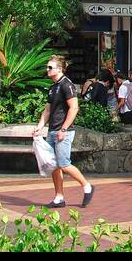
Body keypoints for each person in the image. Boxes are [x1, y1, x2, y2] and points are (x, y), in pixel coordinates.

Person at [32, 55, 94, 209]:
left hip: (63, 131)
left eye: (50, 67)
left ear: (59, 69)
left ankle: (87, 186)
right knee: (54, 166)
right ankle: (59, 197)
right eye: (47, 67)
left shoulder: (67, 85)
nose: (47, 69)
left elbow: (74, 107)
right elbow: (47, 110)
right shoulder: (53, 87)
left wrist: (64, 129)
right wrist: (40, 126)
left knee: (64, 164)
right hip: (52, 131)